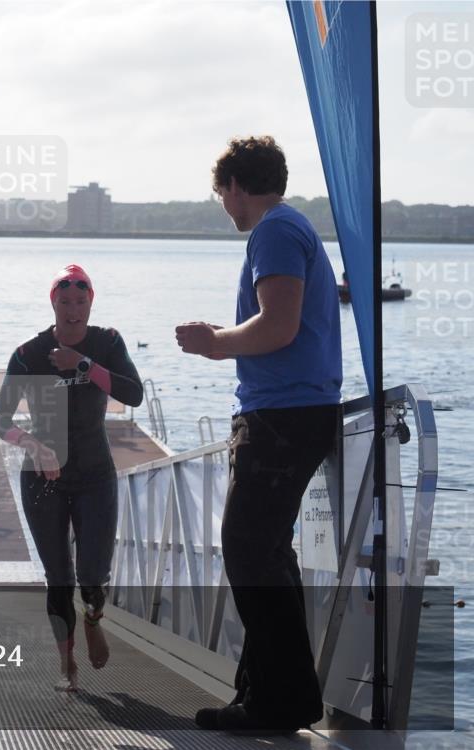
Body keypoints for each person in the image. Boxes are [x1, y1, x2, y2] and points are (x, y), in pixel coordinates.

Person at [175, 136, 341, 733]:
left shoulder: (274, 231)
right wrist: (225, 340)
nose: (225, 205)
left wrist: (214, 343)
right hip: (294, 411)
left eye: (222, 193)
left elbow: (278, 325)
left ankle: (282, 699)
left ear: (237, 186)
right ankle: (265, 693)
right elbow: (281, 324)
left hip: (282, 416)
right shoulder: (291, 228)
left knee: (247, 548)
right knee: (267, 552)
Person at [0, 264, 143, 691]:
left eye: (80, 301)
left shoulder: (107, 342)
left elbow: (133, 393)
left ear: (90, 302)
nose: (73, 310)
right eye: (65, 302)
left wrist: (84, 365)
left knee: (92, 575)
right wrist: (33, 445)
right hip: (43, 477)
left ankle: (93, 616)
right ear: (53, 303)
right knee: (58, 576)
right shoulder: (29, 354)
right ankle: (66, 664)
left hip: (94, 474)